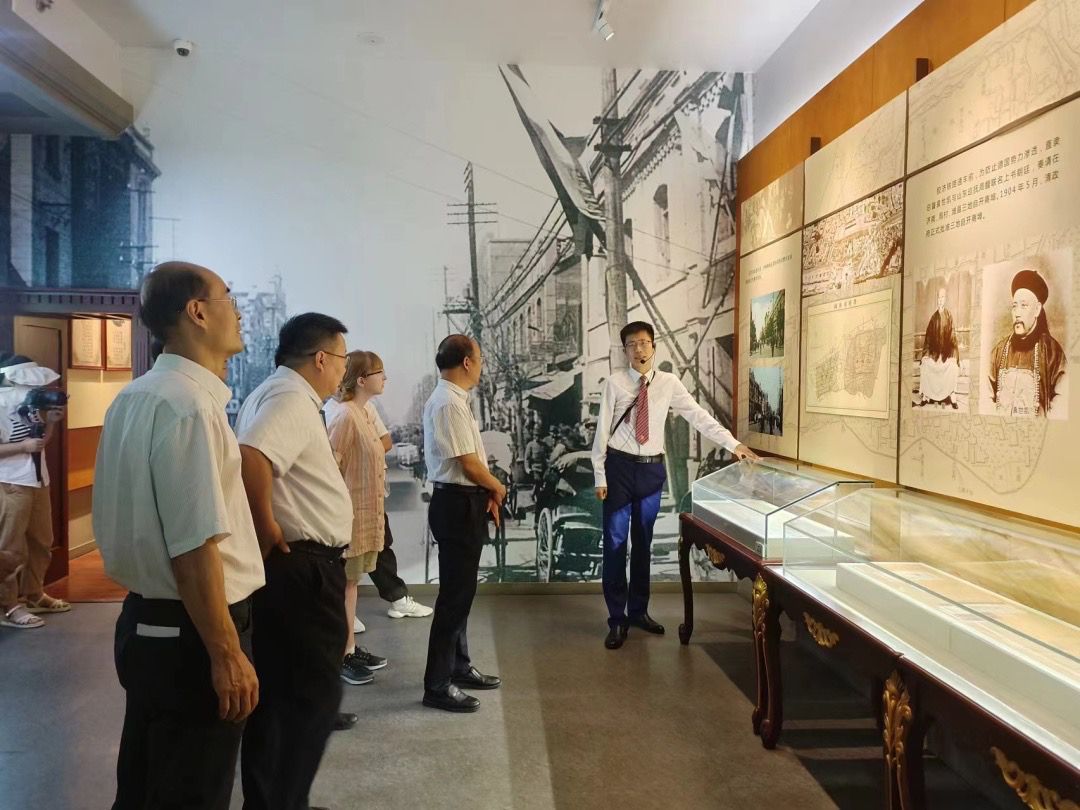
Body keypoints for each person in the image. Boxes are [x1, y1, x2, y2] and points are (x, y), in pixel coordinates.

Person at [93, 262, 263, 809]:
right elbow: (193, 545)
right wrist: (225, 652)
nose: (238, 312)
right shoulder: (189, 407)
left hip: (147, 623)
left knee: (143, 785)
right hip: (193, 633)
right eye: (228, 298)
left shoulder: (137, 396)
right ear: (197, 312)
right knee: (192, 790)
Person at [236, 312, 355, 810]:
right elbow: (253, 456)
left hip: (296, 567)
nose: (344, 371)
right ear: (321, 358)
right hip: (301, 568)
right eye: (342, 359)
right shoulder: (289, 397)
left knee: (283, 698)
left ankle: (278, 801)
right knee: (311, 697)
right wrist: (265, 525)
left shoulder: (277, 393)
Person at [592, 322, 758, 650]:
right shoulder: (614, 383)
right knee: (615, 543)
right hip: (619, 468)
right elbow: (601, 432)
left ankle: (638, 612)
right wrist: (600, 475)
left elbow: (698, 416)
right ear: (625, 351)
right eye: (631, 344)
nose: (638, 349)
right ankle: (617, 619)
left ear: (653, 346)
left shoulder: (668, 383)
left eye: (643, 342)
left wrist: (733, 444)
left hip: (651, 470)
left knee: (643, 543)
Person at [421, 334, 505, 713]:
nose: (482, 365)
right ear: (467, 362)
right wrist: (497, 486)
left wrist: (486, 492)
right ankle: (437, 685)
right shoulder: (447, 402)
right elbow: (467, 463)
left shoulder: (455, 399)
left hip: (463, 502)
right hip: (456, 504)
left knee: (462, 593)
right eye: (480, 358)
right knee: (454, 599)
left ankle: (458, 666)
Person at [324, 350, 391, 686]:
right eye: (379, 373)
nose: (385, 378)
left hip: (362, 517)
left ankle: (348, 647)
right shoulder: (345, 416)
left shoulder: (362, 414)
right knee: (343, 588)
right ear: (362, 380)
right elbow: (329, 468)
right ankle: (340, 655)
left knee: (351, 586)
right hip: (347, 519)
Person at [0, 355, 69, 629]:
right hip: (10, 481)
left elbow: (39, 442)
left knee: (42, 540)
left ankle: (34, 593)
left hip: (38, 479)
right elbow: (26, 445)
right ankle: (8, 606)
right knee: (9, 548)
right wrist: (22, 447)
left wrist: (50, 421)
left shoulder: (30, 404)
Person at [988, 268, 1067, 418]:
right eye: (1014, 306)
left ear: (1037, 310)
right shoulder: (999, 351)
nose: (1017, 313)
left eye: (1024, 306)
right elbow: (985, 396)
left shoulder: (1053, 352)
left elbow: (1063, 399)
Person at [918, 288, 961, 409]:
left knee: (953, 366)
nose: (941, 300)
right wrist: (926, 355)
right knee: (926, 365)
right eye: (939, 298)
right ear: (937, 300)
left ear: (945, 299)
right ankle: (926, 396)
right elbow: (928, 339)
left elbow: (953, 338)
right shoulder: (933, 318)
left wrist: (954, 356)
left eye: (943, 297)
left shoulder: (949, 316)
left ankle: (952, 396)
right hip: (935, 354)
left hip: (946, 354)